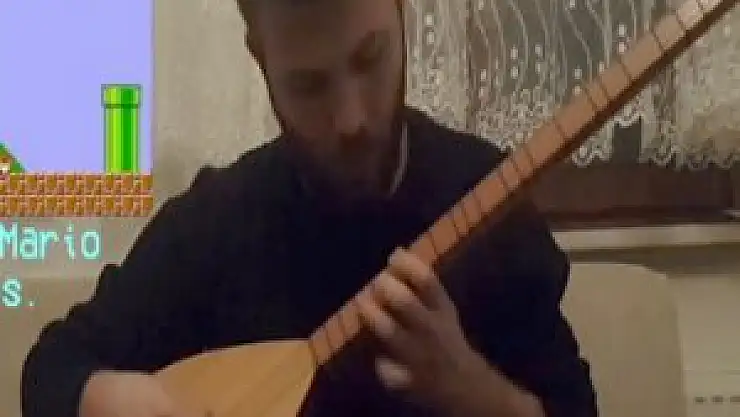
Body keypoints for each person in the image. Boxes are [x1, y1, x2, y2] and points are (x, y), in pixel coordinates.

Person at [22, 0, 598, 416]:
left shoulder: (488, 197)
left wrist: (470, 389)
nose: (351, 119)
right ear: (260, 59)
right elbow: (53, 369)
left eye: (369, 59)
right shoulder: (216, 224)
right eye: (309, 85)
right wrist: (120, 399)